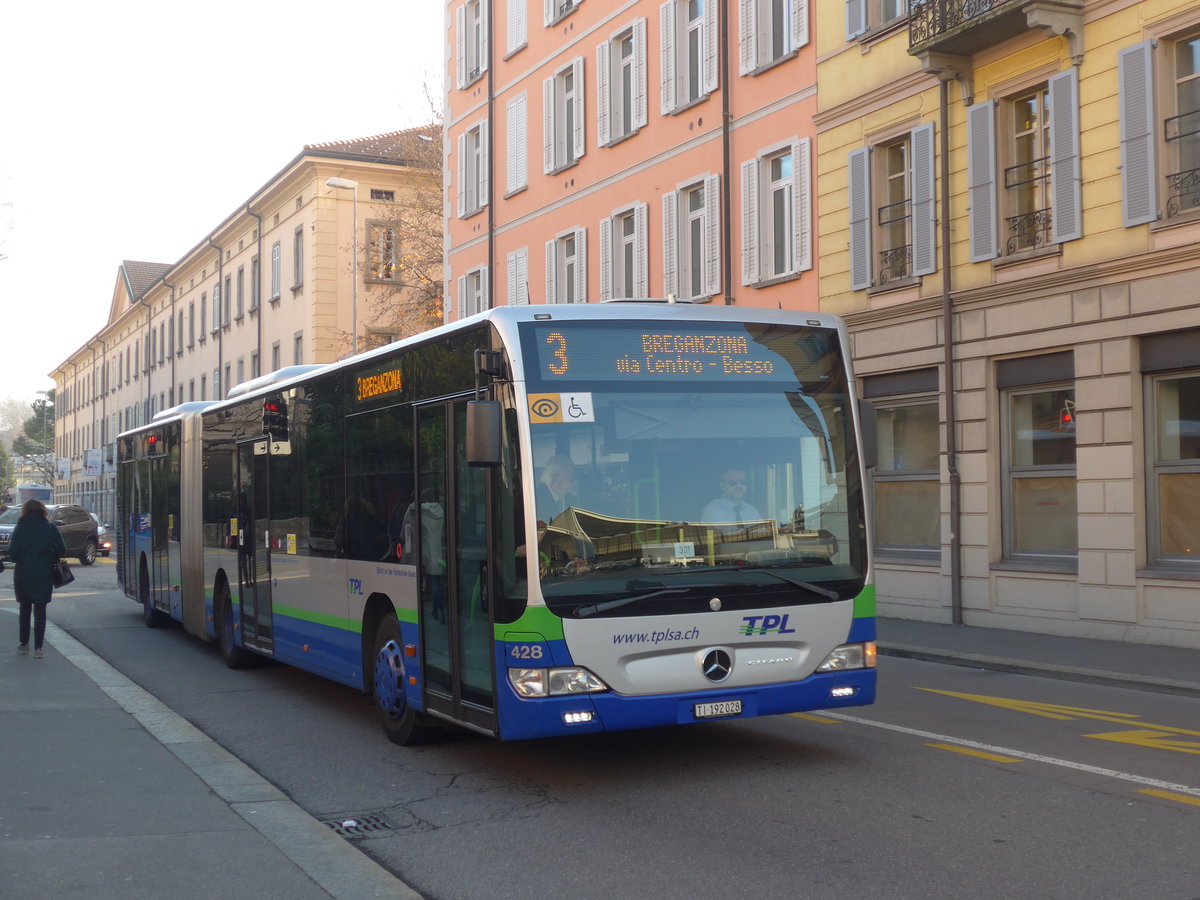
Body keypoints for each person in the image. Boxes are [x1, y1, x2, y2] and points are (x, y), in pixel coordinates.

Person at [7, 499, 67, 659]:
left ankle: (23, 643)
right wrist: (49, 557)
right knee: (40, 611)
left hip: (23, 574)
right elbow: (62, 550)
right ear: (43, 511)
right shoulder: (50, 528)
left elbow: (12, 553)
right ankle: (39, 648)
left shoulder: (20, 528)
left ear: (25, 511)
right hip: (44, 573)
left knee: (24, 608)